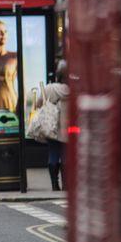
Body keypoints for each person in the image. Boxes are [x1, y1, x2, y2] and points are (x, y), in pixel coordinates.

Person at [43, 61, 69, 191]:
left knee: (53, 154)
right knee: (65, 155)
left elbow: (38, 104)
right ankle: (66, 184)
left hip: (51, 126)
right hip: (67, 128)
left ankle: (54, 184)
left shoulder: (49, 88)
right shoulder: (73, 90)